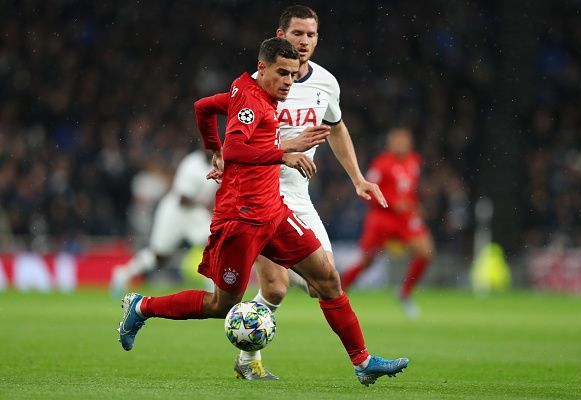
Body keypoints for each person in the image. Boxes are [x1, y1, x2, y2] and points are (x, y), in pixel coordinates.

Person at [117, 37, 409, 386]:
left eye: (293, 74)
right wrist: (281, 152)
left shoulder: (253, 92)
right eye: (282, 73)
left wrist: (214, 150)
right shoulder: (252, 103)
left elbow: (203, 107)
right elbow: (238, 147)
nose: (289, 81)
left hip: (274, 214)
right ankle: (142, 306)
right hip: (240, 221)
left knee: (328, 280)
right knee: (221, 305)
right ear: (262, 68)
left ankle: (363, 362)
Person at [196, 5, 388, 380]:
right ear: (280, 36)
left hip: (300, 196)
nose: (304, 42)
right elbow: (231, 130)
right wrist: (222, 155)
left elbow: (335, 127)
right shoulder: (257, 82)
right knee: (277, 287)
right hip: (260, 194)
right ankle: (250, 360)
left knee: (322, 285)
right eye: (297, 33)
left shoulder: (326, 84)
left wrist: (358, 178)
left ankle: (250, 343)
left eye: (311, 35)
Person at [341, 127, 435, 318]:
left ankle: (404, 292)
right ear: (390, 143)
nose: (401, 144)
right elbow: (366, 192)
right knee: (367, 261)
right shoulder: (381, 164)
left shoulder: (414, 161)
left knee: (425, 251)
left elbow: (409, 190)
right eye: (397, 141)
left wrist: (414, 205)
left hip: (405, 218)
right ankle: (340, 291)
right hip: (382, 218)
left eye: (405, 141)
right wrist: (392, 203)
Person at [110, 150, 217, 298]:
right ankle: (122, 274)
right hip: (175, 212)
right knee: (160, 256)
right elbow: (182, 198)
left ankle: (213, 291)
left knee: (213, 243)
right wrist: (204, 205)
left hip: (194, 213)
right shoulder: (192, 164)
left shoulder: (220, 163)